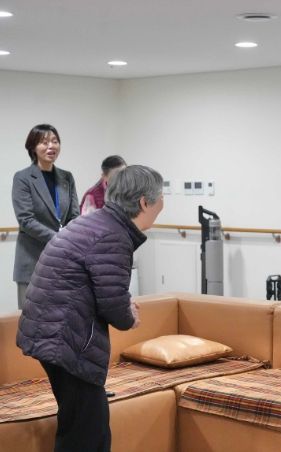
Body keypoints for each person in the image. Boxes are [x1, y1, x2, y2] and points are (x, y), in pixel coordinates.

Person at [16, 165, 164, 452]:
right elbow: (113, 305)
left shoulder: (96, 222)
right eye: (161, 197)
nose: (162, 203)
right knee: (87, 434)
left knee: (82, 427)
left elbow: (99, 288)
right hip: (65, 339)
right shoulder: (113, 235)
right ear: (144, 202)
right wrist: (128, 314)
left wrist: (121, 302)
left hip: (50, 332)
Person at [12, 124, 79, 310]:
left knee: (62, 315)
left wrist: (70, 236)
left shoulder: (67, 177)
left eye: (55, 141)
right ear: (33, 147)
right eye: (44, 142)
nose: (51, 146)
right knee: (32, 317)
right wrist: (59, 238)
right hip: (32, 260)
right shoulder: (23, 178)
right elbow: (26, 220)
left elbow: (74, 215)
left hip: (63, 260)